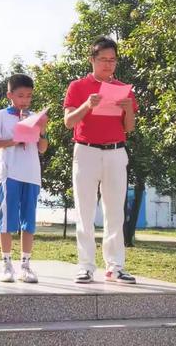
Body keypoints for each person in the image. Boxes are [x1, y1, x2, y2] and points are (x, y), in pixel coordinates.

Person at [63, 36, 137, 284]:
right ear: (92, 60)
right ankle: (85, 265)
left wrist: (127, 109)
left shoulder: (123, 89)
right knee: (84, 211)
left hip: (116, 151)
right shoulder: (78, 86)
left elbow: (129, 128)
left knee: (115, 211)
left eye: (112, 60)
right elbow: (68, 121)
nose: (108, 65)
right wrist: (86, 105)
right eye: (103, 60)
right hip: (86, 151)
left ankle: (115, 266)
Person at [0, 74, 48, 283]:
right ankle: (6, 263)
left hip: (31, 174)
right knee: (8, 219)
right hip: (10, 173)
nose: (25, 100)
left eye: (29, 96)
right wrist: (14, 140)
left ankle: (25, 264)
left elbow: (42, 148)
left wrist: (42, 130)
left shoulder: (34, 116)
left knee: (28, 221)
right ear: (10, 95)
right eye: (21, 96)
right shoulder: (1, 116)